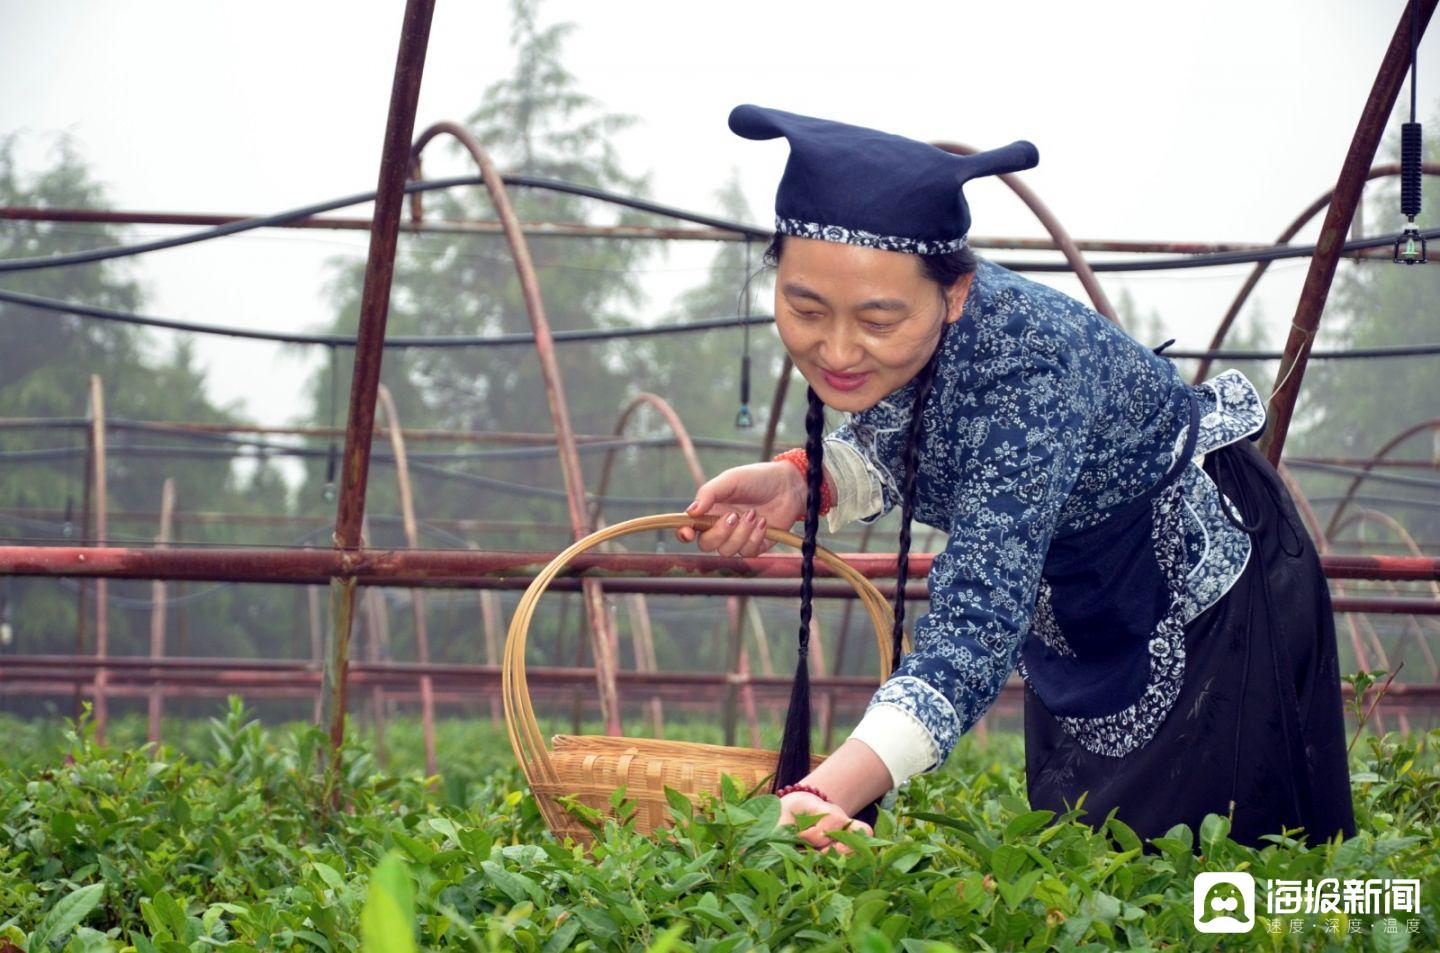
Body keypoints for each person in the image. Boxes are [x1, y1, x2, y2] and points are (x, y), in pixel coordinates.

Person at [675, 104, 1356, 856]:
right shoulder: (919, 326)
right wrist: (802, 482)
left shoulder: (1034, 372)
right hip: (1080, 597)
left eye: (876, 320)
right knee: (1079, 871)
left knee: (1202, 877)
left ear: (956, 293)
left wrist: (821, 794)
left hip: (1198, 599)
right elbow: (910, 431)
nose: (837, 347)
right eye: (805, 307)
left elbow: (973, 624)